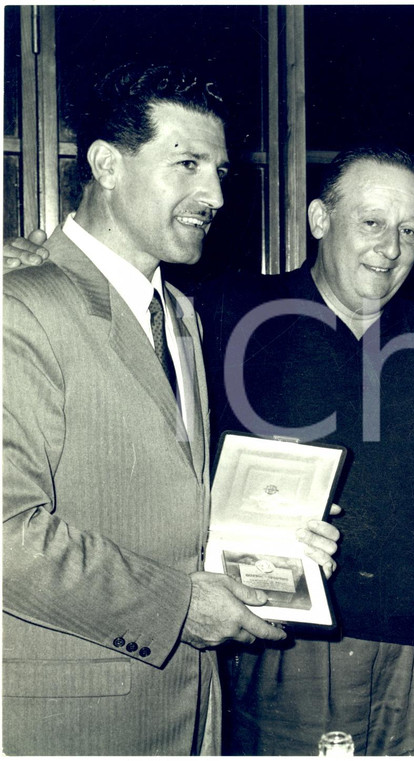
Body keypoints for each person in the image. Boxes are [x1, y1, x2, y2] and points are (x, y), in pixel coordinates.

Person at [2, 62, 338, 755]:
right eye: (187, 164)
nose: (214, 194)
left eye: (219, 171)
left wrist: (274, 538)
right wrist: (180, 607)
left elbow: (169, 507)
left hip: (190, 709)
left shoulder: (180, 313)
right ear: (107, 165)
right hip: (74, 724)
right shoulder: (20, 307)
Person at [197, 147, 414, 756]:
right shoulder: (229, 311)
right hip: (282, 639)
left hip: (407, 644)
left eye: (410, 230)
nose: (391, 248)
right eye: (372, 222)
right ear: (319, 219)